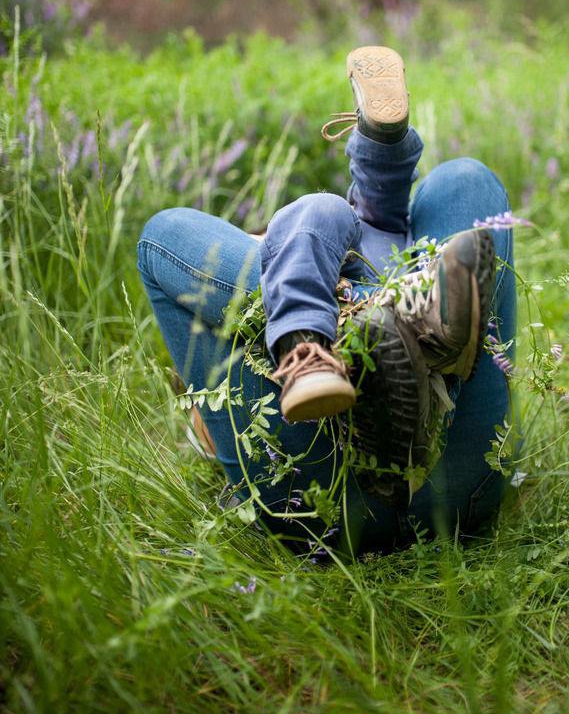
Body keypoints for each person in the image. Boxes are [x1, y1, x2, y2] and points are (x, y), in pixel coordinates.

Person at [137, 47, 516, 558]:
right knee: (460, 182)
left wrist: (282, 254)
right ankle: (401, 307)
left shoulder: (272, 262)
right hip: (458, 497)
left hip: (313, 510)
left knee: (181, 234)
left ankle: (330, 325)